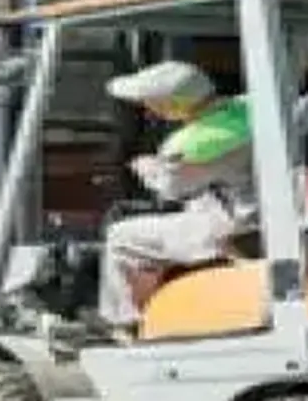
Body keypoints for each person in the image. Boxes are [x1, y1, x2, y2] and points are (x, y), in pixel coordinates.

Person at [89, 60, 257, 343]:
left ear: (170, 106)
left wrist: (148, 168)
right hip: (264, 210)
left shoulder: (196, 142)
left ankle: (124, 326)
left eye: (151, 103)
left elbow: (170, 189)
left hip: (234, 228)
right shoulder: (250, 107)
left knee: (121, 237)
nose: (146, 108)